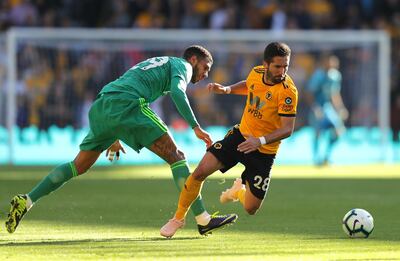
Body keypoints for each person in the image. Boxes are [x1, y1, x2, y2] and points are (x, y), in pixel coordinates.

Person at [5, 45, 238, 235]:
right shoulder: (182, 65)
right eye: (206, 67)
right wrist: (196, 127)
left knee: (78, 165)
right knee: (177, 157)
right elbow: (178, 92)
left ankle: (27, 199)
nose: (205, 74)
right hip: (127, 105)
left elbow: (126, 83)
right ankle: (203, 218)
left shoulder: (158, 62)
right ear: (194, 59)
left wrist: (115, 133)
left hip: (102, 106)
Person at [160, 42, 298, 238]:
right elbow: (249, 85)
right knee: (199, 172)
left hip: (264, 151)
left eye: (286, 66)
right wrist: (227, 89)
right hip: (240, 136)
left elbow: (287, 129)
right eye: (278, 66)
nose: (282, 71)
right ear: (266, 64)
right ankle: (178, 219)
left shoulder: (288, 92)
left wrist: (259, 141)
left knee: (251, 208)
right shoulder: (256, 72)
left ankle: (238, 191)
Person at [305, 54, 348, 166]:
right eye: (329, 62)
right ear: (325, 63)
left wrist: (340, 108)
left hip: (328, 107)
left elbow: (334, 94)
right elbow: (309, 92)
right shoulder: (318, 75)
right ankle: (316, 158)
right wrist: (315, 107)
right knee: (318, 132)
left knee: (339, 131)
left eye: (334, 62)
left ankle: (327, 156)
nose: (331, 64)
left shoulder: (335, 76)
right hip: (318, 107)